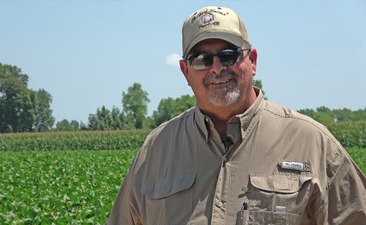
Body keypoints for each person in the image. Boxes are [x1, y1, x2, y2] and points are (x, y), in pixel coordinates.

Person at [108, 5, 366, 225]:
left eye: (229, 55)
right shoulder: (156, 150)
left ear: (252, 60)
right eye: (202, 59)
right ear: (186, 72)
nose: (217, 68)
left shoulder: (312, 142)